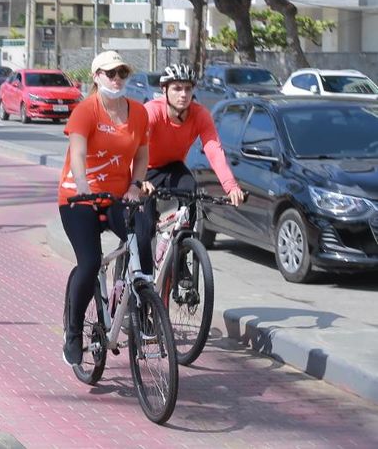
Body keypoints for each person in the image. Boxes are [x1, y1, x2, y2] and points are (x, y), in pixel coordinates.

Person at [59, 50, 151, 367]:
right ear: (96, 77)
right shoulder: (86, 111)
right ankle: (73, 331)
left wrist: (135, 186)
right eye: (109, 73)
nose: (116, 79)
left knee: (143, 234)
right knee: (90, 261)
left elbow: (141, 156)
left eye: (121, 74)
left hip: (117, 195)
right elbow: (78, 154)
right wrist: (83, 185)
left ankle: (143, 299)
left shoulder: (138, 113)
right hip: (78, 197)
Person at [136, 63, 245, 269]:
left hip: (173, 167)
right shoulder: (152, 112)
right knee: (145, 229)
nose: (183, 94)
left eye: (188, 88)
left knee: (192, 196)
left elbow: (213, 149)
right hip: (145, 169)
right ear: (164, 90)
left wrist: (231, 186)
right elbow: (135, 148)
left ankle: (180, 256)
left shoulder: (200, 114)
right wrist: (137, 181)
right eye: (177, 88)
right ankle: (140, 281)